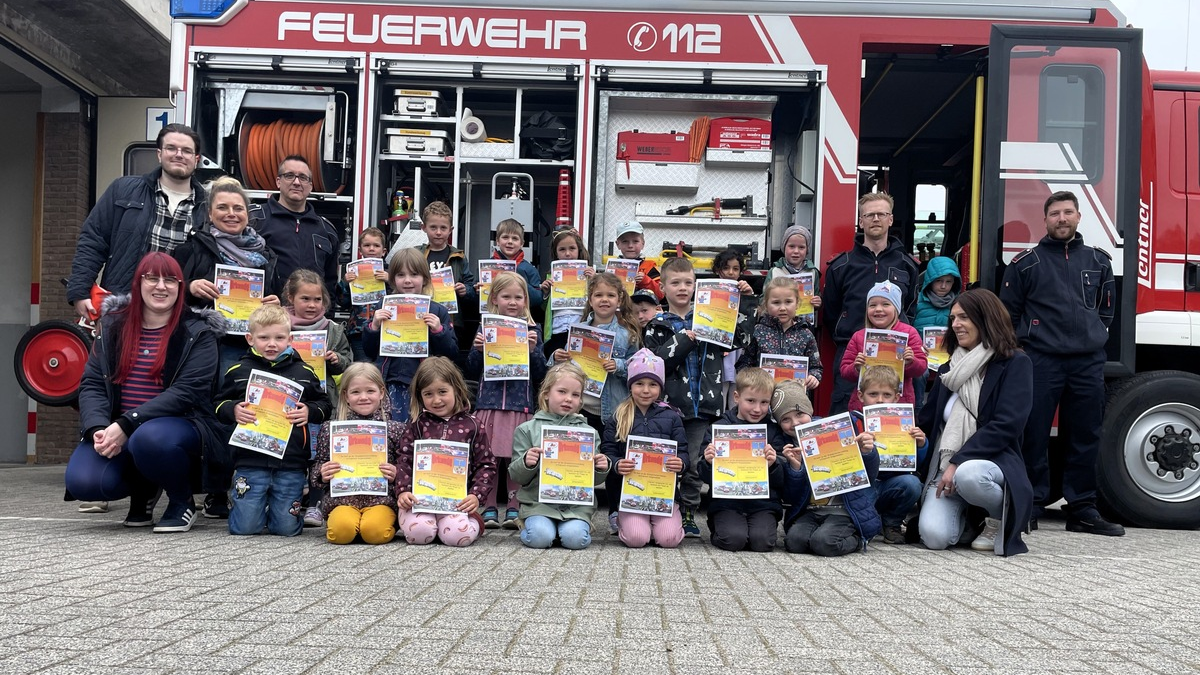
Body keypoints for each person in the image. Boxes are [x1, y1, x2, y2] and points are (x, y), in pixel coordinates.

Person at [64, 252, 226, 533]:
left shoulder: (198, 331)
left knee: (149, 438)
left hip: (180, 427)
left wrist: (128, 423)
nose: (161, 286)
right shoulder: (113, 326)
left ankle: (181, 499)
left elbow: (187, 392)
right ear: (138, 283)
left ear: (180, 287)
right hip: (121, 428)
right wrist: (98, 429)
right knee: (86, 482)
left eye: (170, 280)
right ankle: (144, 489)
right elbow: (92, 383)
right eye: (152, 278)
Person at [1000, 190, 1122, 536]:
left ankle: (1082, 509)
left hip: (1087, 362)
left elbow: (1106, 311)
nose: (1062, 219)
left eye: (1068, 212)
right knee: (1033, 434)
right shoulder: (1026, 263)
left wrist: (1091, 334)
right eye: (1055, 214)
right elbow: (1009, 315)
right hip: (1041, 360)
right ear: (1046, 220)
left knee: (1085, 435)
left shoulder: (1099, 261)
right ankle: (1031, 505)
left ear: (1079, 217)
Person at [172, 176, 281, 519]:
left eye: (238, 208)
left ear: (248, 213)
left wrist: (274, 302)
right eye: (223, 207)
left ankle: (243, 486)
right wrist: (190, 285)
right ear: (209, 211)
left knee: (248, 411)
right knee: (213, 413)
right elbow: (165, 291)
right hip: (207, 344)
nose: (231, 214)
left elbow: (277, 301)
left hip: (250, 346)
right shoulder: (192, 248)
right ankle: (215, 491)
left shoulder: (264, 254)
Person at [916, 289, 1035, 555]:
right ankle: (971, 521)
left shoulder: (1015, 363)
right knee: (934, 537)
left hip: (992, 462)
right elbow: (927, 420)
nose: (955, 324)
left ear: (986, 319)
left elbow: (1007, 425)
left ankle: (997, 518)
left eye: (964, 318)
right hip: (945, 466)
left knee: (969, 476)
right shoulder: (949, 368)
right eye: (953, 318)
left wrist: (958, 461)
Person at [643, 256, 752, 538]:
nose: (682, 288)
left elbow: (744, 339)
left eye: (688, 282)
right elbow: (655, 364)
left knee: (692, 463)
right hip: (668, 408)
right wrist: (684, 339)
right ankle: (664, 508)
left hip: (703, 407)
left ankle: (689, 511)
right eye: (675, 283)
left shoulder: (712, 316)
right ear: (662, 288)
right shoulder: (656, 324)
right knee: (668, 461)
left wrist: (738, 305)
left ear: (696, 286)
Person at [69, 124, 209, 320]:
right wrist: (80, 291)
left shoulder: (210, 206)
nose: (179, 155)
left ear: (196, 159)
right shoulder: (123, 190)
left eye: (186, 151)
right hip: (124, 307)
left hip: (181, 315)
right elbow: (93, 240)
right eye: (171, 148)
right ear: (159, 154)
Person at [216, 304, 332, 536]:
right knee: (244, 529)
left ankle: (275, 511)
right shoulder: (238, 371)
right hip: (250, 460)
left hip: (290, 462)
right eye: (264, 337)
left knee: (287, 529)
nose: (272, 344)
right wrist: (233, 410)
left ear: (290, 339)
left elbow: (325, 405)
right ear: (250, 339)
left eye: (279, 338)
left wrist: (309, 411)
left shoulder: (305, 372)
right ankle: (251, 507)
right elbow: (218, 404)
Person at [822, 193, 920, 414]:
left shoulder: (908, 265)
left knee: (893, 425)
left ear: (890, 220)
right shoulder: (840, 266)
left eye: (881, 214)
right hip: (853, 357)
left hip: (895, 360)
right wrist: (852, 339)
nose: (876, 219)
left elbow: (910, 310)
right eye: (870, 215)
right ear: (861, 220)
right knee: (847, 421)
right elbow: (831, 313)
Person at [466, 272, 547, 529]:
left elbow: (541, 374)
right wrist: (478, 351)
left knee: (516, 457)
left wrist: (533, 351)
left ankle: (514, 507)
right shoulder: (484, 328)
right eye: (506, 296)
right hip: (488, 403)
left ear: (526, 301)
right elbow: (470, 369)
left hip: (518, 404)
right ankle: (489, 507)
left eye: (518, 297)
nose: (512, 302)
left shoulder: (533, 330)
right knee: (489, 458)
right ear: (494, 299)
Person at [394, 357, 498, 547]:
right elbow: (404, 460)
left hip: (456, 502)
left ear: (456, 389)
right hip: (419, 499)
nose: (436, 400)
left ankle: (474, 523)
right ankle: (433, 526)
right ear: (420, 396)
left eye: (442, 392)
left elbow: (486, 464)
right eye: (428, 394)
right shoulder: (416, 425)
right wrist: (403, 491)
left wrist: (476, 495)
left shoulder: (473, 425)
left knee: (457, 538)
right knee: (419, 534)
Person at [510, 363, 611, 549]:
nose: (568, 399)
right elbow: (516, 476)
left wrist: (601, 467)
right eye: (562, 391)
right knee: (540, 538)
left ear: (581, 400)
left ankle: (572, 529)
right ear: (546, 393)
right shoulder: (527, 430)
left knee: (575, 540)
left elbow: (594, 481)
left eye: (575, 395)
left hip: (576, 507)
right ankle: (528, 524)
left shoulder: (589, 433)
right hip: (538, 504)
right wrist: (526, 462)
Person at [283, 267, 354, 527]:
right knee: (291, 452)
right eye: (305, 299)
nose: (312, 305)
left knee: (317, 452)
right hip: (286, 401)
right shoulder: (280, 324)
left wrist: (336, 360)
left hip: (321, 402)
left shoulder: (333, 329)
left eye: (317, 300)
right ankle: (289, 500)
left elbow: (349, 361)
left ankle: (315, 504)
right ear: (290, 298)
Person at [780, 381, 883, 556]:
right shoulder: (786, 447)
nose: (795, 422)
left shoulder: (837, 430)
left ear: (810, 411)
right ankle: (819, 534)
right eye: (785, 419)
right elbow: (792, 496)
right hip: (811, 511)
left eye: (799, 414)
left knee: (824, 543)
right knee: (794, 542)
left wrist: (867, 451)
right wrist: (796, 468)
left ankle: (859, 538)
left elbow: (869, 475)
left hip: (844, 511)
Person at [600, 349, 688, 547]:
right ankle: (623, 518)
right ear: (630, 385)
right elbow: (607, 452)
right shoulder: (618, 416)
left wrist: (680, 463)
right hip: (630, 493)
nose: (646, 390)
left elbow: (683, 452)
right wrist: (616, 464)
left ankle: (668, 520)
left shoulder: (672, 417)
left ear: (660, 387)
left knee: (668, 539)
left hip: (663, 494)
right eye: (639, 383)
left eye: (653, 384)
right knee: (637, 539)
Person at [698, 367, 790, 552]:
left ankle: (749, 528)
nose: (757, 409)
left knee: (762, 542)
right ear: (736, 397)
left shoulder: (773, 431)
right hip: (727, 502)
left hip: (763, 504)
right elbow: (703, 475)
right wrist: (708, 462)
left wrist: (774, 464)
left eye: (764, 402)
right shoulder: (719, 428)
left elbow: (783, 479)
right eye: (750, 401)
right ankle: (720, 526)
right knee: (733, 540)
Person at [362, 248, 458, 423]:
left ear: (425, 278)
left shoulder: (437, 310)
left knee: (419, 430)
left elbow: (451, 353)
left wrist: (438, 331)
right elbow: (369, 350)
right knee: (390, 429)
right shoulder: (383, 306)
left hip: (423, 384)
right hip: (389, 381)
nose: (407, 281)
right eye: (400, 275)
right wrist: (374, 326)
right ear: (392, 279)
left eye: (414, 274)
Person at [311, 363, 403, 544]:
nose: (363, 397)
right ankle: (352, 524)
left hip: (381, 500)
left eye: (370, 391)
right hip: (343, 500)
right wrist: (322, 473)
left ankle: (374, 523)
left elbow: (407, 467)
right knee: (340, 533)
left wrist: (397, 473)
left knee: (375, 533)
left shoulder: (395, 429)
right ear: (345, 395)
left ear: (382, 393)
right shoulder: (331, 429)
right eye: (355, 392)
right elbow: (318, 463)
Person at [855, 366, 927, 544]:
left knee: (912, 484)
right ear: (860, 395)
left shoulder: (906, 424)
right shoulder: (853, 421)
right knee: (858, 523)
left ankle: (891, 523)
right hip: (863, 485)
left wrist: (921, 444)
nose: (880, 400)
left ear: (896, 397)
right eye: (873, 394)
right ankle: (866, 524)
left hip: (890, 484)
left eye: (886, 395)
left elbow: (917, 464)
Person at [255, 155, 341, 299]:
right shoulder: (256, 220)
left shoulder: (327, 231)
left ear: (310, 186)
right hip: (268, 317)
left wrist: (326, 315)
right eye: (289, 176)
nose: (296, 182)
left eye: (303, 178)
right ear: (278, 181)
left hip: (311, 318)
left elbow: (330, 284)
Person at [838, 281, 927, 413]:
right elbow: (844, 370)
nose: (878, 309)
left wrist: (910, 362)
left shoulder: (909, 333)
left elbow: (921, 368)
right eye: (872, 305)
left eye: (886, 304)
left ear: (896, 308)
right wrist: (856, 367)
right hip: (864, 406)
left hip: (899, 405)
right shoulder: (859, 336)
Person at [737, 276, 823, 392]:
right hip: (763, 398)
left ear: (797, 304)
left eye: (788, 302)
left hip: (794, 399)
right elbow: (743, 365)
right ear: (766, 305)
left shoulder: (806, 334)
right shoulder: (757, 331)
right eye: (776, 303)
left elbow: (816, 366)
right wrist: (752, 381)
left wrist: (814, 377)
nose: (782, 308)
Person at [386, 201, 477, 307]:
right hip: (419, 312)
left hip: (450, 316)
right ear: (423, 228)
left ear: (450, 230)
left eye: (443, 228)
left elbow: (471, 287)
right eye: (433, 227)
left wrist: (465, 290)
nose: (438, 232)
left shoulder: (459, 257)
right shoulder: (415, 254)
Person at [911, 256, 962, 412]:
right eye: (939, 281)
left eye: (948, 282)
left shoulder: (960, 304)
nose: (943, 286)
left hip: (951, 353)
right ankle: (918, 409)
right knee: (920, 372)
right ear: (929, 281)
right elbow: (908, 329)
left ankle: (947, 410)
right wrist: (916, 346)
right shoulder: (916, 302)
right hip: (921, 352)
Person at [337, 226, 390, 362]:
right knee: (364, 368)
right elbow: (342, 302)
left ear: (383, 251)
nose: (371, 248)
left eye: (376, 245)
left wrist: (390, 281)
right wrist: (345, 283)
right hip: (359, 330)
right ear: (360, 250)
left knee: (383, 367)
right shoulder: (352, 272)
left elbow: (402, 296)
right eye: (367, 245)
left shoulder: (391, 272)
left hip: (386, 329)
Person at [540, 228, 595, 358]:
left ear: (579, 250)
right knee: (558, 364)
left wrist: (594, 280)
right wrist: (546, 292)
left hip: (581, 326)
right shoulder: (551, 276)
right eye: (562, 249)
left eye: (572, 248)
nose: (568, 253)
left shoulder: (588, 274)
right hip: (557, 329)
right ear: (556, 252)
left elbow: (599, 298)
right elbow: (544, 308)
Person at [485, 219, 545, 313]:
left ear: (522, 243)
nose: (510, 242)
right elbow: (476, 298)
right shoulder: (487, 266)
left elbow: (538, 299)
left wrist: (518, 279)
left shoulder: (529, 269)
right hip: (492, 317)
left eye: (515, 238)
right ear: (497, 241)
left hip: (521, 319)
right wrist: (476, 290)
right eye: (505, 237)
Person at [767, 224, 822, 328]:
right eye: (791, 246)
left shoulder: (813, 272)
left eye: (801, 247)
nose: (796, 251)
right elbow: (763, 300)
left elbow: (817, 295)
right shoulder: (774, 271)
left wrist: (818, 302)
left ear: (807, 250)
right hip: (777, 327)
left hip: (804, 328)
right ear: (784, 247)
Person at [613, 220, 663, 300]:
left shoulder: (649, 266)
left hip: (642, 310)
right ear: (618, 244)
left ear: (643, 243)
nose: (630, 245)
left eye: (635, 241)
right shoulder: (612, 268)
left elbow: (661, 294)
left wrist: (645, 280)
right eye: (625, 241)